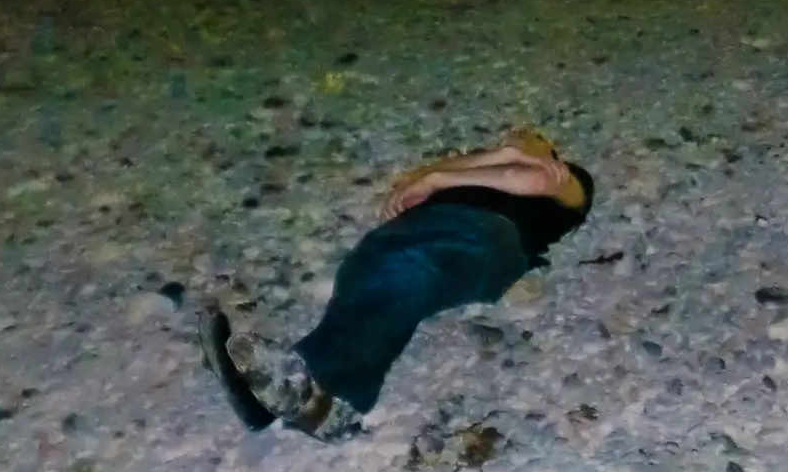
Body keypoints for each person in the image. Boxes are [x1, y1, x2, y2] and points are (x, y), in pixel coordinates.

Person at [200, 128, 594, 442]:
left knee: (407, 268)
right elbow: (412, 182)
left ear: (552, 147)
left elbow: (536, 180)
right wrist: (494, 156)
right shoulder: (480, 169)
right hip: (422, 229)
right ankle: (283, 406)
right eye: (512, 134)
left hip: (491, 236)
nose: (519, 135)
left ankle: (329, 391)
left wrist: (451, 176)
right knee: (368, 275)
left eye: (533, 134)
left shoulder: (568, 176)